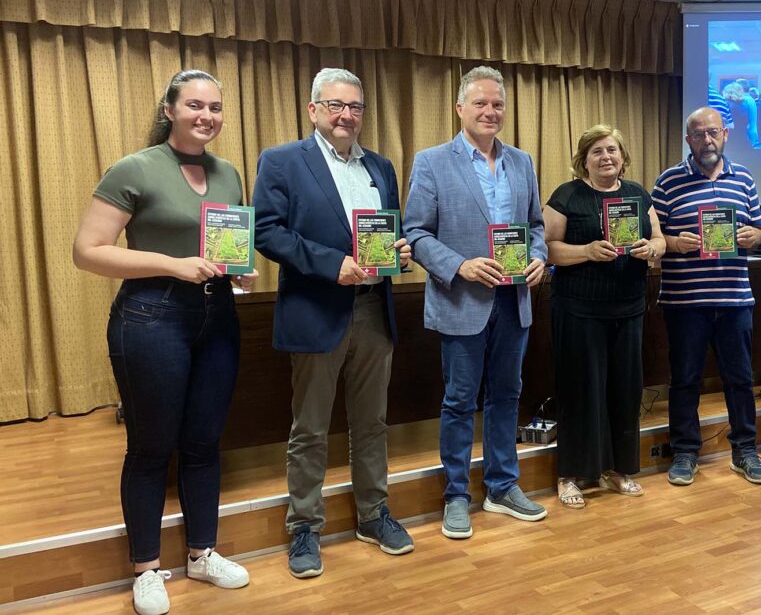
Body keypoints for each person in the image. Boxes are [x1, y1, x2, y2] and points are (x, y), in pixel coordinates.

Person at [72, 70, 255, 615]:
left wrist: (237, 271)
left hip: (217, 316)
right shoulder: (135, 168)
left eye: (215, 107)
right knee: (151, 447)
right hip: (151, 317)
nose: (207, 116)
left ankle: (202, 553)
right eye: (195, 105)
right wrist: (173, 265)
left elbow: (223, 245)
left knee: (204, 442)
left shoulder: (228, 173)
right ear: (170, 109)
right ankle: (147, 569)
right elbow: (88, 250)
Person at [252, 68, 414, 579]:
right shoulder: (282, 160)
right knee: (310, 428)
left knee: (372, 423)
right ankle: (304, 526)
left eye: (355, 107)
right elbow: (266, 231)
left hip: (373, 310)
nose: (346, 115)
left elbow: (388, 231)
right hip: (316, 310)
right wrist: (331, 264)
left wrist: (400, 251)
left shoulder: (381, 167)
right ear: (313, 110)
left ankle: (373, 514)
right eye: (335, 105)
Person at [404, 66, 548, 539]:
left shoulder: (522, 162)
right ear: (460, 108)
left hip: (514, 300)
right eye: (481, 103)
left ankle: (502, 486)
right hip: (462, 300)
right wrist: (459, 265)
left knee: (507, 395)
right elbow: (415, 232)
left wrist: (539, 258)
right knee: (459, 401)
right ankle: (456, 495)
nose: (490, 111)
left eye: (498, 104)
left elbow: (536, 226)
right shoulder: (432, 162)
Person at [543, 125, 666, 508]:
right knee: (580, 392)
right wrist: (586, 251)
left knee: (625, 392)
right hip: (578, 310)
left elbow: (660, 239)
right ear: (584, 159)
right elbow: (546, 248)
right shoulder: (567, 195)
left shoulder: (638, 194)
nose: (605, 157)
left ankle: (618, 469)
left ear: (622, 156)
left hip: (628, 309)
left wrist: (651, 249)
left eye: (611, 150)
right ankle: (570, 475)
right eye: (596, 151)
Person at [652, 107, 761, 486]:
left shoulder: (745, 178)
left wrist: (754, 236)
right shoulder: (668, 181)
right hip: (685, 302)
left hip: (734, 300)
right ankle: (685, 452)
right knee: (685, 380)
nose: (707, 140)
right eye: (699, 134)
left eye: (713, 132)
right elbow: (653, 236)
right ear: (688, 139)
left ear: (725, 134)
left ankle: (745, 451)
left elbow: (759, 229)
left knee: (740, 379)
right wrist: (675, 243)